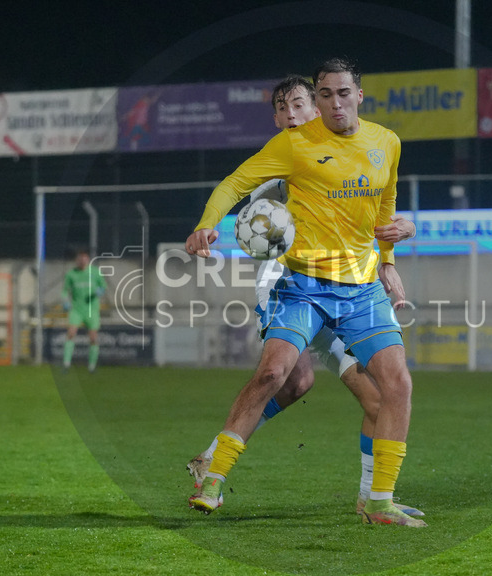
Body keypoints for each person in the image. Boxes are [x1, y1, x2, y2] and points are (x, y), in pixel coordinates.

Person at [184, 58, 424, 527]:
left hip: (360, 291)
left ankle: (378, 501)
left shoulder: (386, 142)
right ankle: (213, 474)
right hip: (300, 287)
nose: (334, 103)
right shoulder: (291, 148)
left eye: (342, 93)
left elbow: (386, 205)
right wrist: (207, 223)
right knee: (276, 375)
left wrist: (391, 254)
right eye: (324, 94)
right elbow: (235, 183)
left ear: (359, 95)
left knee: (391, 387)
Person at [61, 250, 106, 372]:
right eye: (80, 259)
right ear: (77, 260)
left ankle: (92, 365)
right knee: (71, 333)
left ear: (88, 260)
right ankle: (66, 363)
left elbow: (103, 286)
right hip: (76, 309)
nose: (82, 261)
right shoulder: (71, 274)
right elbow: (64, 290)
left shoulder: (95, 272)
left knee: (93, 337)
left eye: (84, 259)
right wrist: (65, 301)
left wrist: (100, 291)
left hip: (91, 309)